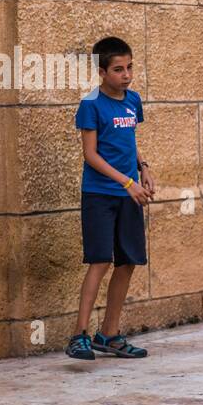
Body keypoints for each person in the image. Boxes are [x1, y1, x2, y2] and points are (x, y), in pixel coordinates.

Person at [66, 36, 157, 360]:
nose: (127, 75)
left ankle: (110, 334)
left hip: (128, 193)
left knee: (128, 261)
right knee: (100, 260)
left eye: (130, 67)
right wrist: (127, 182)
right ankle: (79, 335)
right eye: (119, 69)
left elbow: (129, 141)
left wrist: (142, 168)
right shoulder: (91, 104)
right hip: (100, 195)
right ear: (102, 71)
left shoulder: (133, 100)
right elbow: (91, 155)